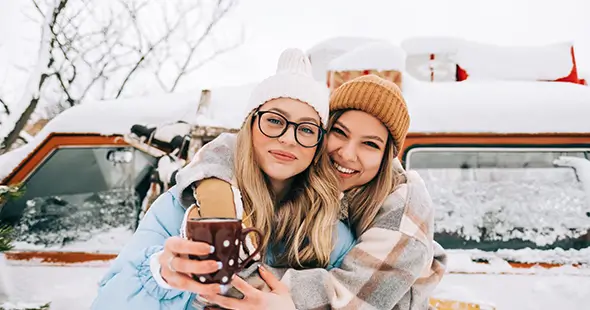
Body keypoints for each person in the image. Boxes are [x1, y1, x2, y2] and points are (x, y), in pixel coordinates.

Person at [91, 48, 355, 310]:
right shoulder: (181, 208)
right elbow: (108, 302)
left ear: (318, 144)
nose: (287, 138)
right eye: (274, 121)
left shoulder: (330, 231)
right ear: (249, 126)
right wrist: (159, 276)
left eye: (307, 129)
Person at [173, 74, 447, 309]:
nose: (347, 154)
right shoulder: (316, 178)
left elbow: (349, 300)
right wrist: (215, 190)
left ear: (387, 157)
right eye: (340, 132)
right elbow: (239, 148)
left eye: (370, 144)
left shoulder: (404, 210)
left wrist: (229, 278)